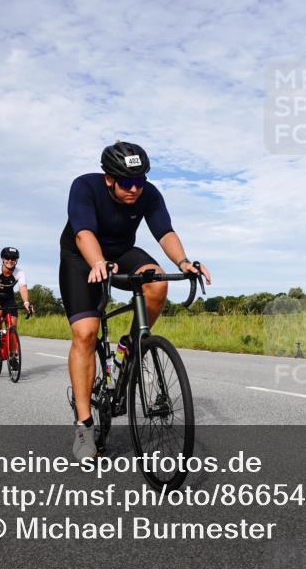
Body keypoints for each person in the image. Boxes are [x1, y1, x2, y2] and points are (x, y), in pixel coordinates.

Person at [59, 141, 211, 460]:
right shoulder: (84, 186)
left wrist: (184, 262)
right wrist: (98, 263)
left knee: (156, 280)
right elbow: (83, 232)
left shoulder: (148, 193)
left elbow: (164, 232)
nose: (134, 190)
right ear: (108, 179)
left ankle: (130, 344)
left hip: (121, 252)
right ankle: (84, 427)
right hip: (81, 255)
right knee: (85, 333)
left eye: (140, 182)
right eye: (127, 183)